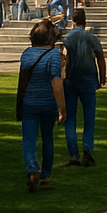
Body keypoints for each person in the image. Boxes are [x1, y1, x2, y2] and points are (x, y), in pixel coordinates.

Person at [19, 18, 66, 192]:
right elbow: (56, 82)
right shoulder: (53, 55)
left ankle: (31, 168)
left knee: (29, 140)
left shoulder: (26, 54)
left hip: (29, 102)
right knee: (48, 139)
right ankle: (45, 175)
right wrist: (62, 107)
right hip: (48, 103)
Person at [62, 9, 106, 167]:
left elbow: (64, 56)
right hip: (88, 80)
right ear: (85, 21)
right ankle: (88, 147)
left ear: (73, 21)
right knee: (89, 119)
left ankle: (74, 154)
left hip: (72, 80)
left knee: (70, 119)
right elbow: (100, 56)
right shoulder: (90, 37)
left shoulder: (69, 38)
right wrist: (102, 77)